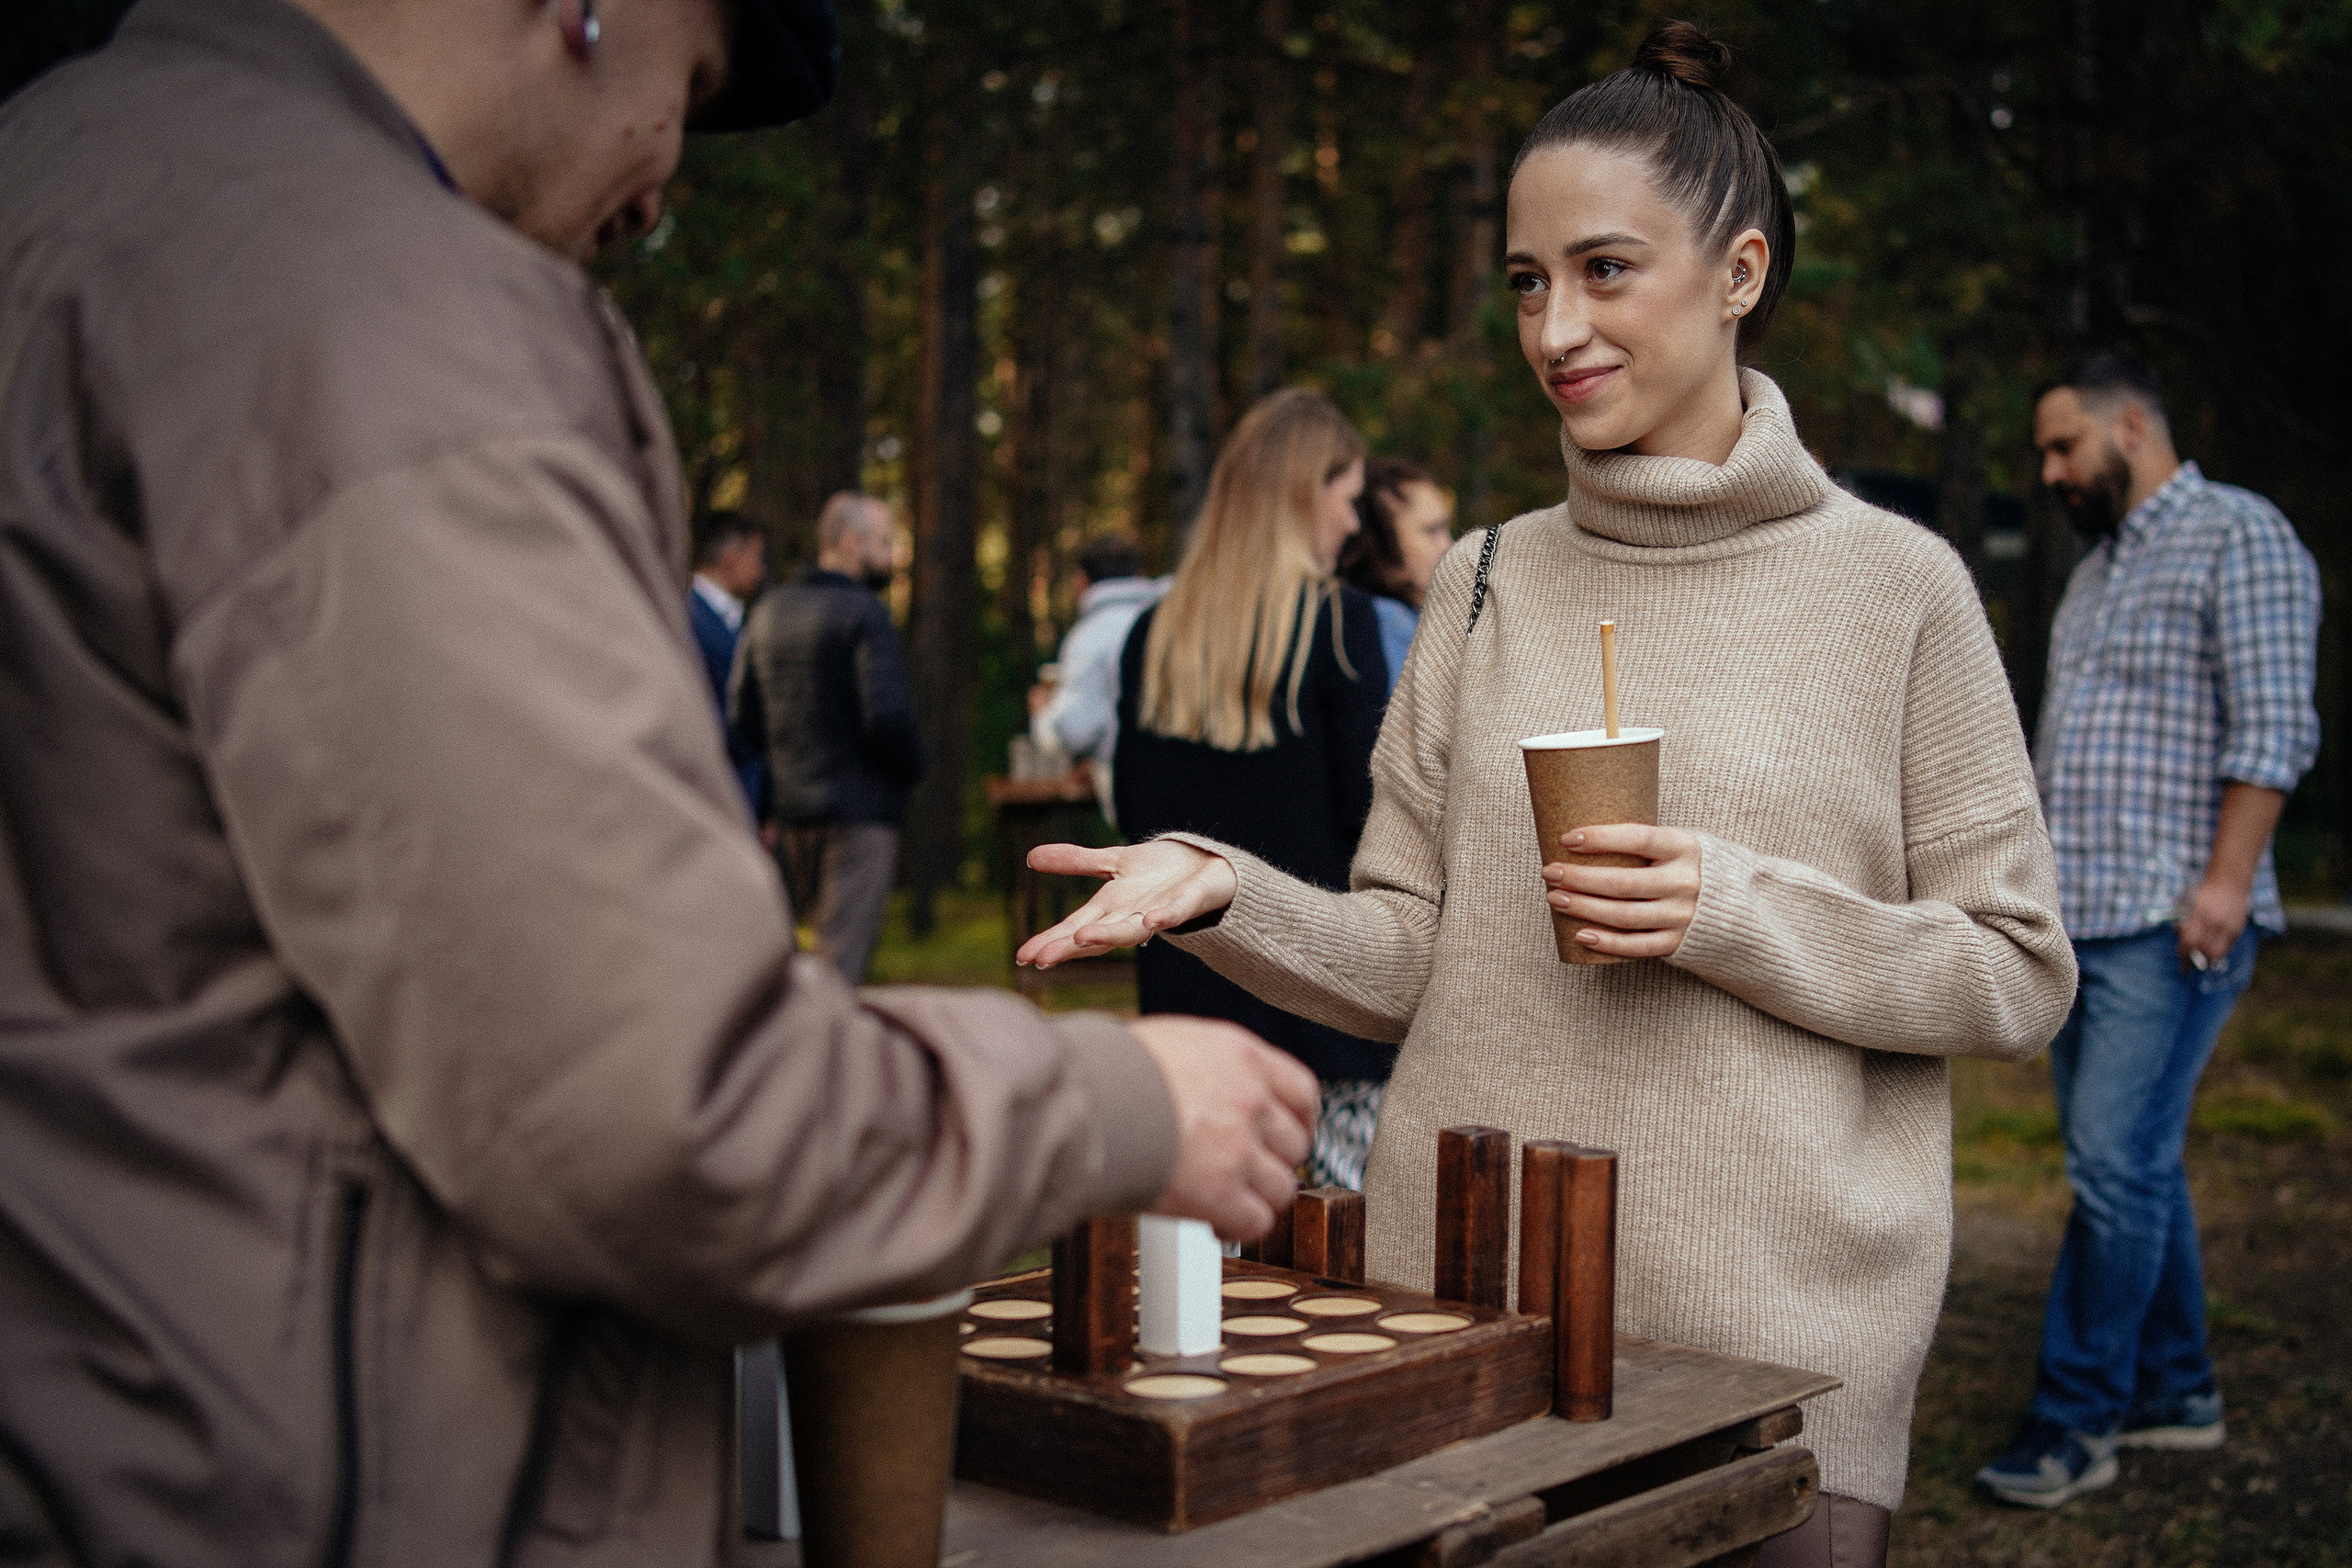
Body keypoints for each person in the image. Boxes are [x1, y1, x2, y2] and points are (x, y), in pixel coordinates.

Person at [0, 2, 1319, 1563]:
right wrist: (1120, 1098)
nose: (662, 183)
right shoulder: (383, 313)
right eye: (688, 87)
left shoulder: (59, 178)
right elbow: (652, 1108)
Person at [1023, 23, 2077, 1567]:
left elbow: (2016, 968)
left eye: (1603, 271)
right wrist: (1222, 889)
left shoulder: (1898, 588)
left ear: (1740, 273)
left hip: (1780, 1345)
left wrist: (1727, 906)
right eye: (1528, 280)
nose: (1556, 326)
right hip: (1470, 1312)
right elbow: (1407, 954)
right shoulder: (1488, 575)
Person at [1973, 351, 2322, 1508]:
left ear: (2133, 426)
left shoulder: (2240, 535)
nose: (2050, 469)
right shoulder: (2094, 573)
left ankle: (2077, 1420)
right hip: (2082, 922)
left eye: (2064, 445)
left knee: (2112, 1170)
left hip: (2175, 923)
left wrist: (2224, 885)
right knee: (2134, 1165)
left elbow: (2273, 731)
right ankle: (2178, 1386)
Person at [1113, 388, 1396, 1192]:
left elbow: (1139, 824)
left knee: (1200, 1275)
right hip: (1326, 994)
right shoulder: (1341, 624)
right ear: (1307, 494)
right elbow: (1369, 816)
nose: (1352, 525)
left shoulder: (1151, 637)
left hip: (1190, 1001)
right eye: (1348, 500)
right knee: (1344, 1268)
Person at [731, 491, 922, 986]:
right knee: (839, 973)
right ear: (851, 542)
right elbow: (886, 716)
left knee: (798, 965)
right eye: (884, 542)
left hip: (790, 817)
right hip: (859, 818)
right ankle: (821, 1064)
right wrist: (908, 774)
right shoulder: (865, 615)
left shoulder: (768, 610)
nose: (892, 557)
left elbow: (742, 720)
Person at [1029, 533, 1166, 825]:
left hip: (1134, 791)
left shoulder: (1091, 635)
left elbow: (1075, 730)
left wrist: (1042, 715)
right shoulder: (1171, 617)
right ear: (1139, 575)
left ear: (1081, 581)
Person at [1336, 458, 1454, 694]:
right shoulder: (1386, 623)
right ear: (1381, 543)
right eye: (1431, 531)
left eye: (1446, 529)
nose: (1448, 546)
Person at [689, 508, 770, 811]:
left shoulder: (731, 621)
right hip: (718, 794)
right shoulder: (690, 619)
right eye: (756, 557)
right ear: (731, 559)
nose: (760, 570)